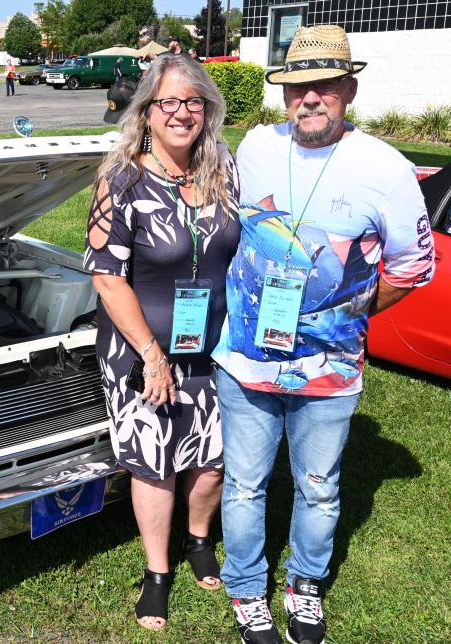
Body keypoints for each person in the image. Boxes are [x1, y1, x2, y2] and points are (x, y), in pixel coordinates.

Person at [212, 25, 435, 644]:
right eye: (297, 88)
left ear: (349, 90)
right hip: (245, 362)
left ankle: (305, 586)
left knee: (319, 489)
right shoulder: (254, 145)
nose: (309, 98)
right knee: (245, 484)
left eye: (325, 87)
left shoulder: (386, 170)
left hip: (330, 368)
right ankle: (247, 588)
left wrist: (351, 312)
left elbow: (413, 266)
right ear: (283, 96)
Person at [84, 54, 240, 631]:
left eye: (192, 101)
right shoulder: (121, 178)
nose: (181, 113)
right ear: (146, 112)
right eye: (167, 103)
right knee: (154, 462)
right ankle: (157, 572)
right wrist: (152, 354)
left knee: (215, 455)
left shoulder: (223, 170)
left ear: (207, 109)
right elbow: (106, 275)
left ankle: (199, 539)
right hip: (139, 348)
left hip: (215, 345)